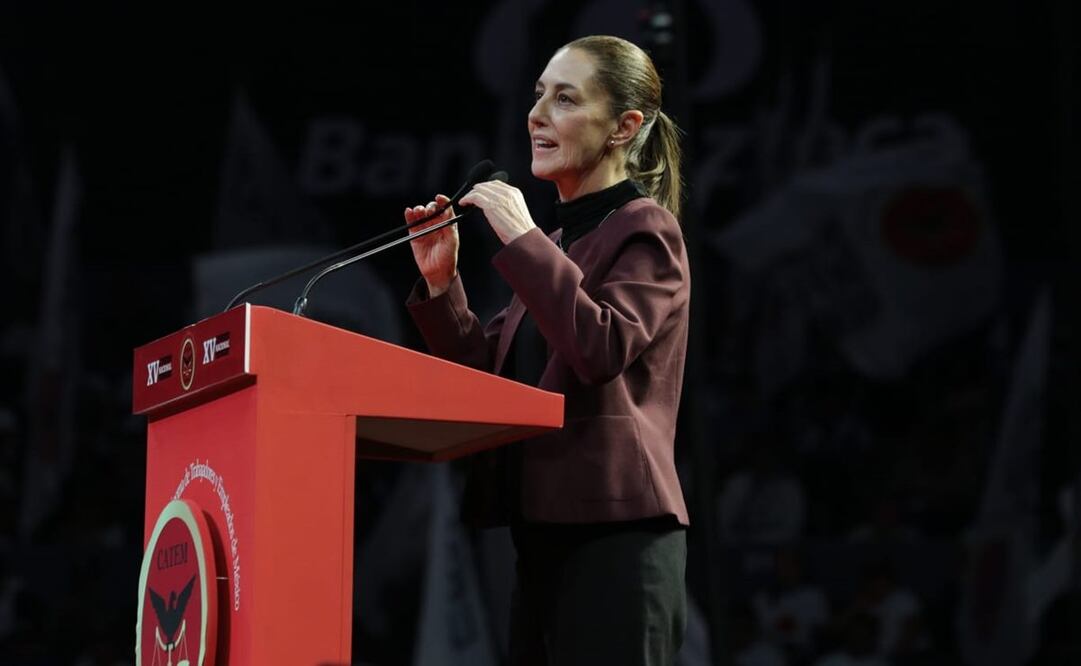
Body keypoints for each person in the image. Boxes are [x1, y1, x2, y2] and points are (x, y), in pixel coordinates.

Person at [404, 35, 690, 665]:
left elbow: (600, 346)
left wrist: (524, 238)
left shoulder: (646, 229)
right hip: (542, 536)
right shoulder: (557, 245)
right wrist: (441, 282)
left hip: (617, 534)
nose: (536, 115)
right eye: (537, 96)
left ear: (624, 127)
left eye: (564, 98)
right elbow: (489, 378)